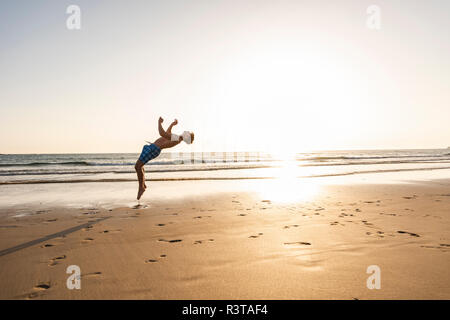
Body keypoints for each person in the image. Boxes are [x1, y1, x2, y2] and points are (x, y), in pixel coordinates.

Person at [135, 117, 194, 200]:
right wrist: (172, 124)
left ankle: (141, 187)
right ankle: (143, 185)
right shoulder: (177, 137)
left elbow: (162, 133)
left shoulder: (178, 139)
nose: (186, 131)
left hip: (153, 149)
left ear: (186, 136)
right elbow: (167, 133)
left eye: (188, 133)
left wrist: (159, 122)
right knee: (140, 166)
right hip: (152, 148)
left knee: (137, 166)